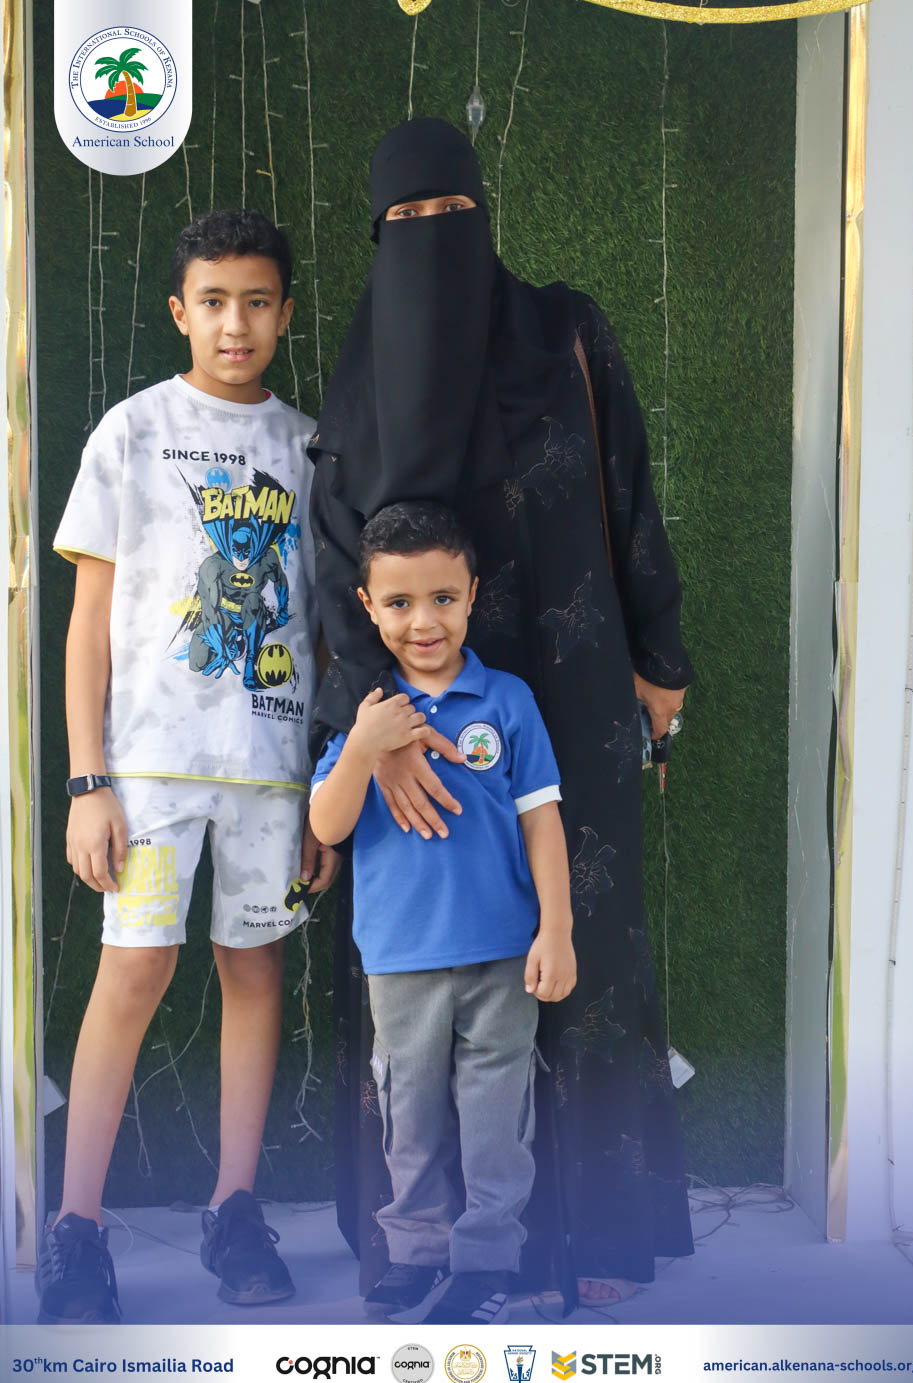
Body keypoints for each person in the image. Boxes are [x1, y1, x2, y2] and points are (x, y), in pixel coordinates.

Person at [309, 118, 695, 1311]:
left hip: (569, 700)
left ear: (484, 216)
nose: (433, 238)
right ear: (380, 238)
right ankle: (424, 1246)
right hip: (419, 733)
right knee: (427, 1000)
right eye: (407, 222)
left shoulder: (565, 333)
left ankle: (594, 1234)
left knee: (582, 957)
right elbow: (332, 575)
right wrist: (373, 730)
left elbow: (628, 490)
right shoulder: (359, 386)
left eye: (451, 214)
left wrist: (659, 660)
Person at [38, 209, 338, 1324]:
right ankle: (76, 1229)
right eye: (213, 301)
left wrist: (321, 790)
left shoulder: (312, 450)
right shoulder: (131, 431)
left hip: (271, 774)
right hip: (150, 776)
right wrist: (87, 780)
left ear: (286, 314)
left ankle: (235, 1207)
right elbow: (88, 624)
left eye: (257, 302)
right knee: (134, 971)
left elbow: (325, 630)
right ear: (180, 311)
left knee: (254, 972)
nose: (235, 324)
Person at [309, 501, 575, 1325]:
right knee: (410, 1119)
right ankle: (415, 1254)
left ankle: (486, 1263)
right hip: (399, 960)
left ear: (472, 595)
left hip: (503, 956)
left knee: (496, 1123)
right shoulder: (364, 714)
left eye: (442, 599)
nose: (422, 622)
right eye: (398, 603)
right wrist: (363, 745)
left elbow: (541, 818)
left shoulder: (507, 701)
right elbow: (327, 825)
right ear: (367, 606)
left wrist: (556, 930)